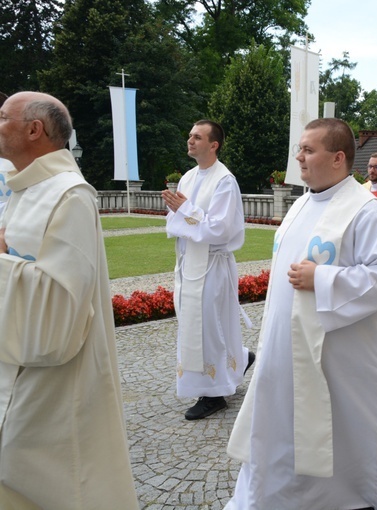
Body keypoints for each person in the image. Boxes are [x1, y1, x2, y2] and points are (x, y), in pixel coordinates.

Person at [225, 118, 377, 509]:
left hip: (341, 363)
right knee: (280, 435)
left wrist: (324, 279)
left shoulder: (366, 211)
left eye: (308, 150)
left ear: (338, 158)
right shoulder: (300, 204)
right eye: (300, 148)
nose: (299, 156)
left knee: (338, 445)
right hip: (283, 352)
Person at [0, 91, 138, 507]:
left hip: (54, 376)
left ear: (33, 130)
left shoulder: (70, 195)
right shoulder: (25, 190)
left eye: (3, 117)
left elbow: (61, 307)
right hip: (16, 363)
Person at [162, 120, 253, 421]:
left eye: (197, 137)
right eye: (189, 135)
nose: (190, 140)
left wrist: (185, 211)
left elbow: (221, 228)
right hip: (189, 262)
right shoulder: (188, 177)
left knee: (209, 326)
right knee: (196, 322)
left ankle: (214, 394)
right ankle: (238, 359)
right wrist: (182, 213)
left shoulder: (225, 180)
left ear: (213, 145)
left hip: (212, 264)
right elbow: (174, 222)